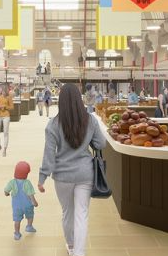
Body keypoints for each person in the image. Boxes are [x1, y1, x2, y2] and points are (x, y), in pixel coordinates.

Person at [38, 84, 106, 256]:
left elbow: (49, 155)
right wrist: (88, 140)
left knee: (68, 213)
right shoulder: (90, 120)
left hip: (62, 176)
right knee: (81, 214)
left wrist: (42, 177)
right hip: (85, 173)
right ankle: (79, 253)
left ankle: (71, 246)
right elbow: (101, 144)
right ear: (79, 99)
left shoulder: (53, 125)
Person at [4, 161, 38, 240]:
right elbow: (30, 194)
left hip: (16, 206)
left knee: (17, 220)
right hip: (28, 205)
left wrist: (7, 194)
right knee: (30, 216)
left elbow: (6, 191)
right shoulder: (27, 183)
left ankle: (17, 233)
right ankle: (29, 226)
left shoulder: (12, 182)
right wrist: (34, 202)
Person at [0, 84, 14, 157]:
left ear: (3, 89)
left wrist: (5, 106)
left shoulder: (9, 97)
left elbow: (12, 107)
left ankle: (4, 149)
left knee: (6, 133)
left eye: (0, 88)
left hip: (6, 116)